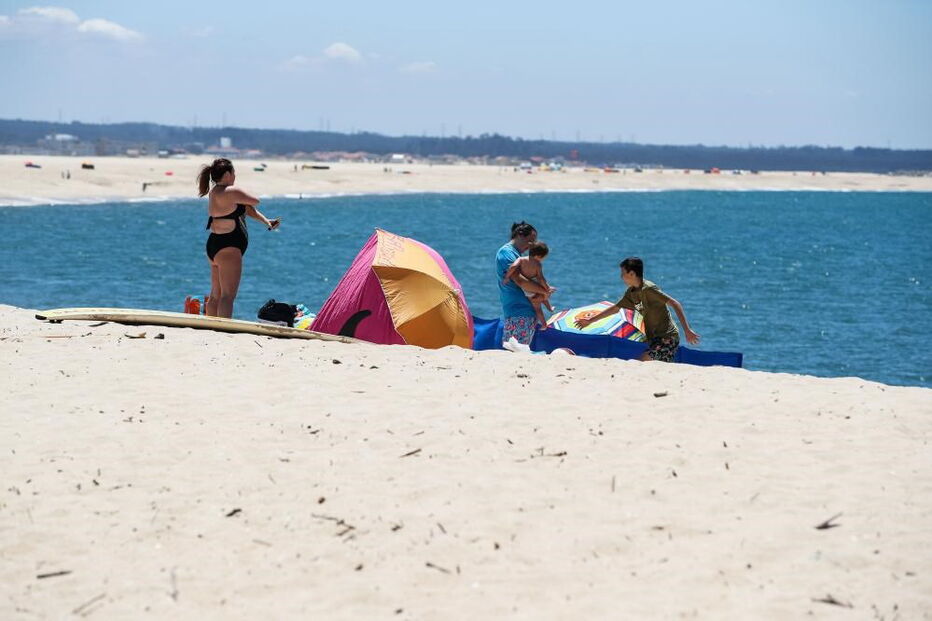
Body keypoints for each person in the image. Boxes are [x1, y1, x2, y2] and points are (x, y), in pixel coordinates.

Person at [197, 158, 280, 318]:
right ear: (227, 174)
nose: (235, 175)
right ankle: (223, 331)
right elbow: (255, 200)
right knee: (228, 297)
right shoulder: (231, 192)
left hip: (213, 246)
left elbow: (248, 210)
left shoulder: (215, 192)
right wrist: (239, 190)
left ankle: (210, 328)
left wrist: (266, 221)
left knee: (215, 295)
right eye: (233, 172)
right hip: (229, 247)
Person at [575, 257, 700, 362]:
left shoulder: (649, 289)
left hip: (668, 338)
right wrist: (591, 320)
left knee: (640, 362)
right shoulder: (631, 293)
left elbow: (675, 303)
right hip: (654, 339)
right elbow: (615, 309)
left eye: (623, 273)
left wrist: (687, 330)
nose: (621, 277)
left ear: (632, 274)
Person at [495, 221, 551, 347]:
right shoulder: (506, 253)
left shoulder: (517, 255)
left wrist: (543, 289)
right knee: (515, 350)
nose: (532, 245)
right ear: (520, 235)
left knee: (514, 350)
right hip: (519, 311)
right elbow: (521, 281)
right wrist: (545, 291)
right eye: (531, 240)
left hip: (521, 311)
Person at [502, 241, 554, 329]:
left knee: (537, 308)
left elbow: (513, 267)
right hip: (535, 284)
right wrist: (547, 288)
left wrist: (507, 277)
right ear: (538, 256)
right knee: (543, 296)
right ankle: (549, 309)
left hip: (528, 290)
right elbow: (541, 278)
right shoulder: (538, 264)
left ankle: (544, 324)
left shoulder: (521, 260)